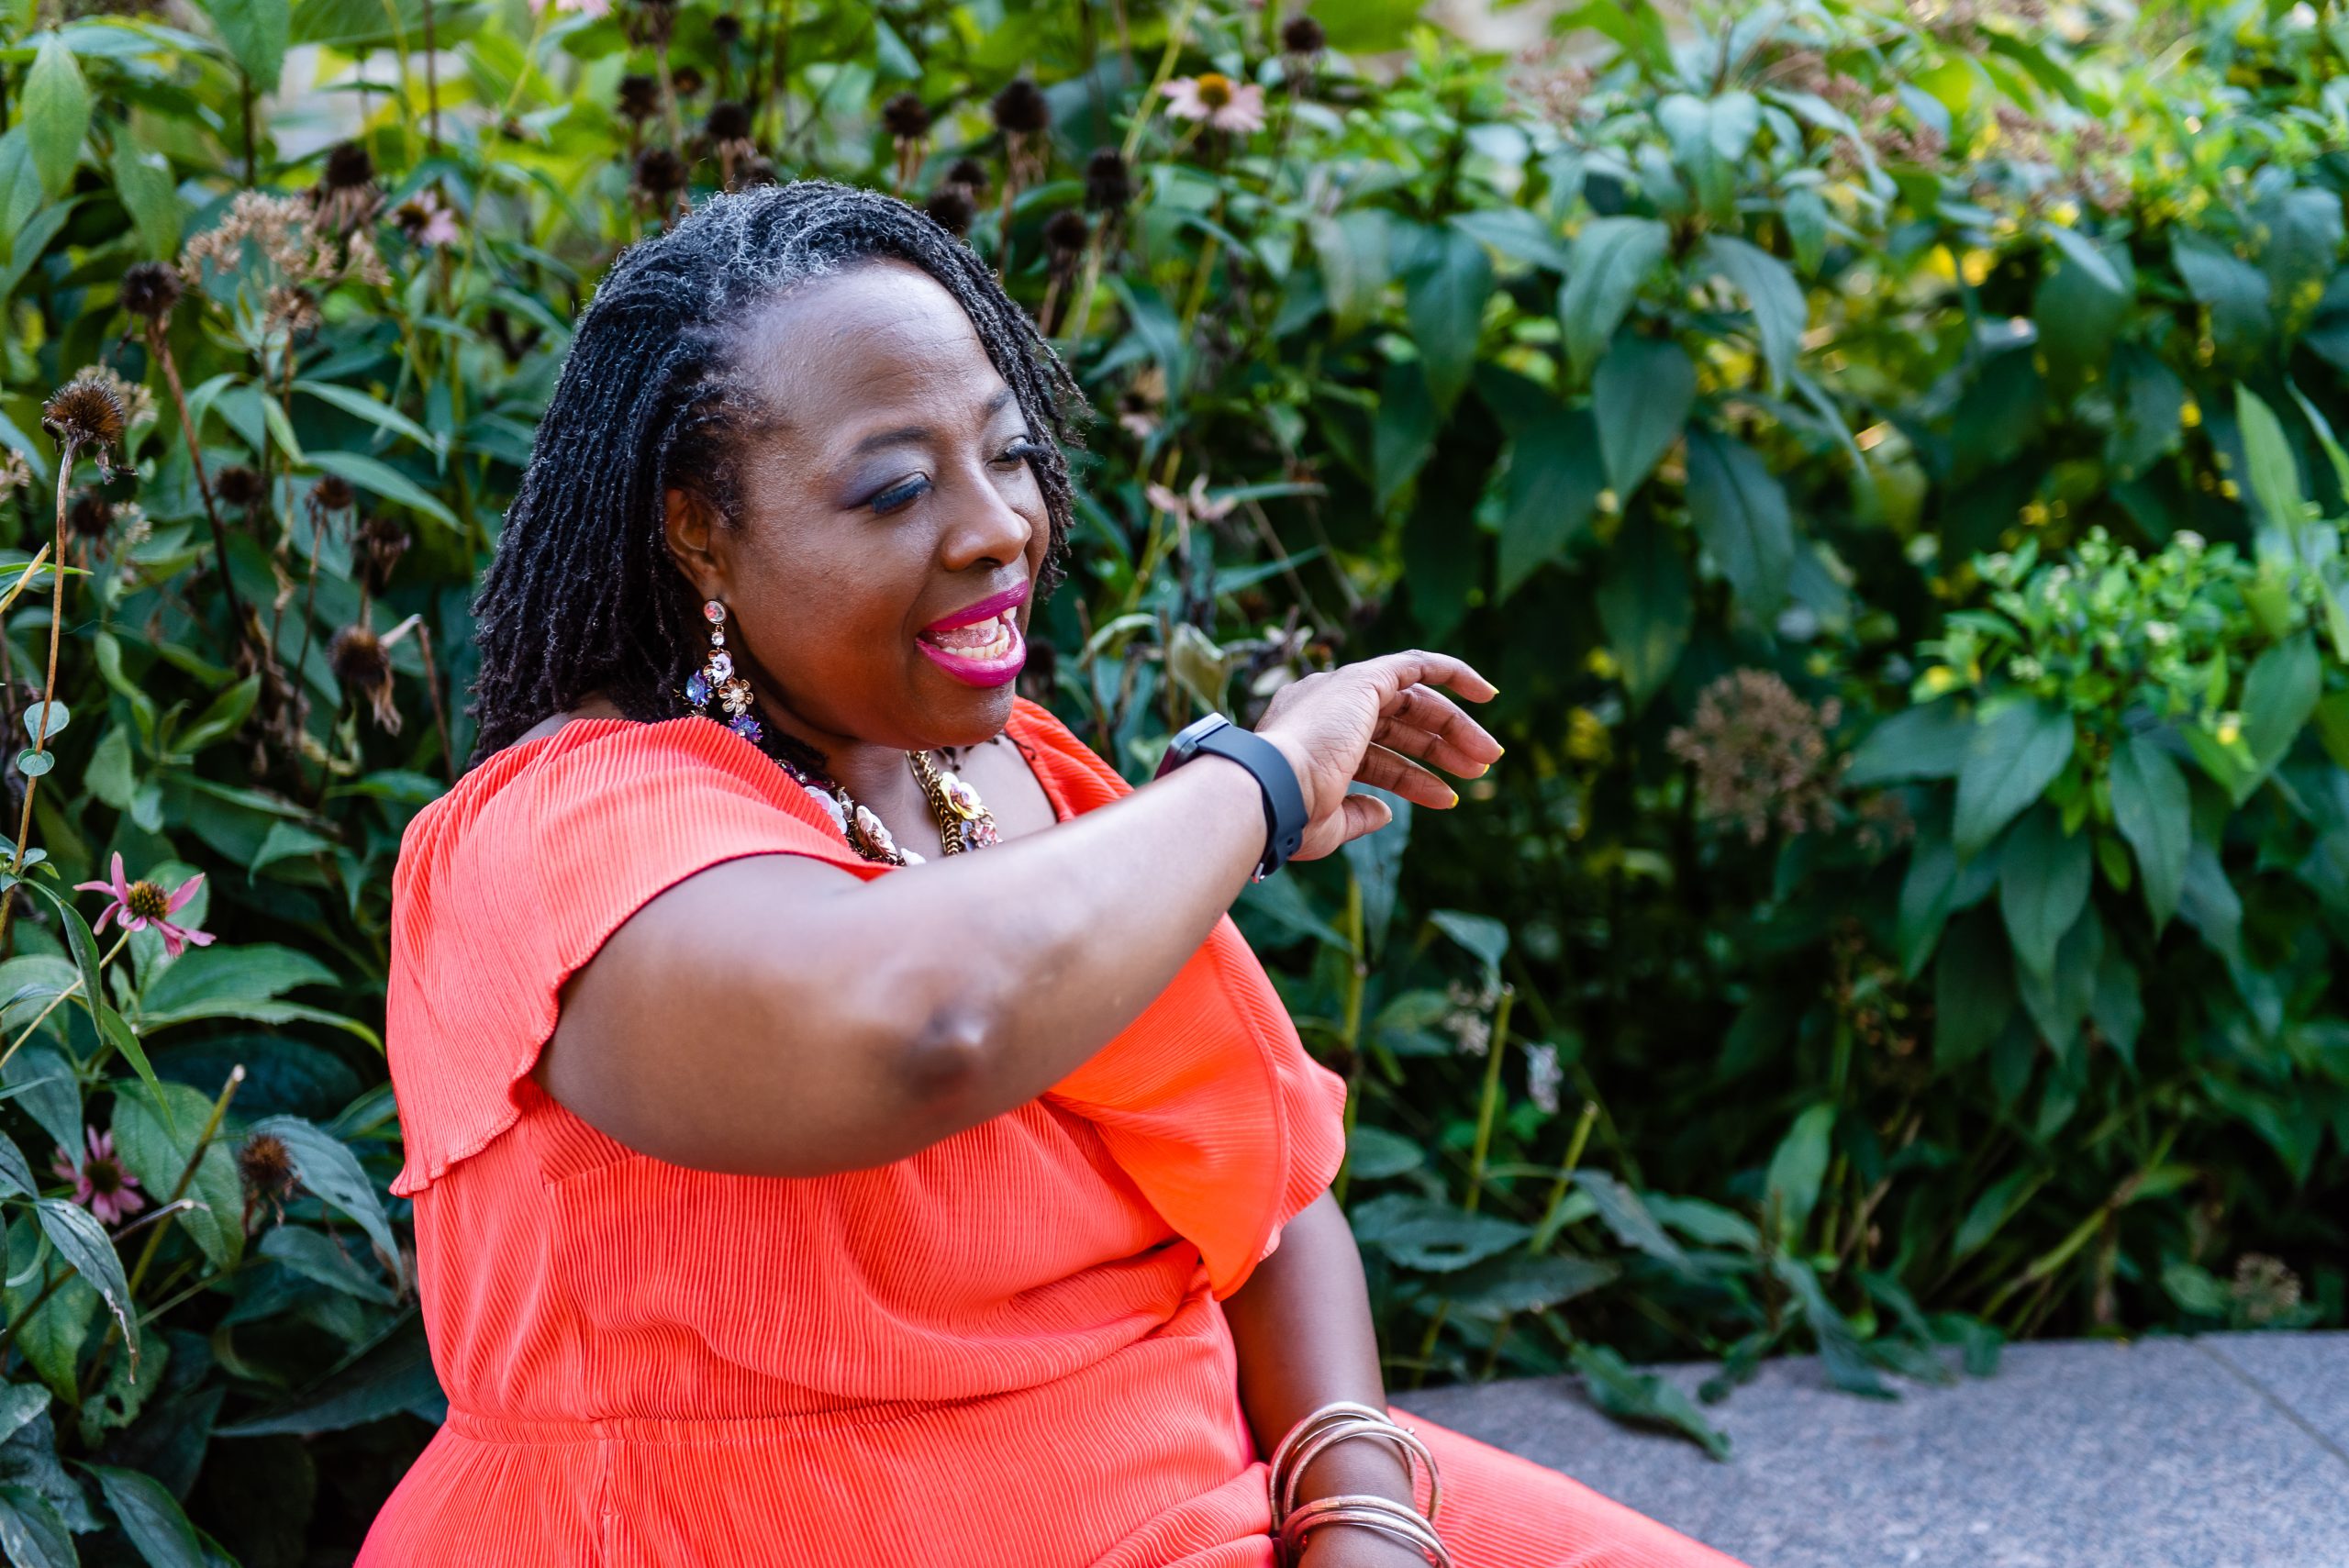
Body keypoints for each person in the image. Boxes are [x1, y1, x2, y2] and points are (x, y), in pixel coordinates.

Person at [360, 178, 1745, 1568]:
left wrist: (1357, 1508)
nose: (996, 530)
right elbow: (926, 1024)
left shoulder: (1012, 770)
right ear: (699, 529)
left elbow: (1264, 1199)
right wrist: (1255, 786)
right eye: (898, 485)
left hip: (1217, 1489)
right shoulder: (564, 830)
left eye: (1008, 454)